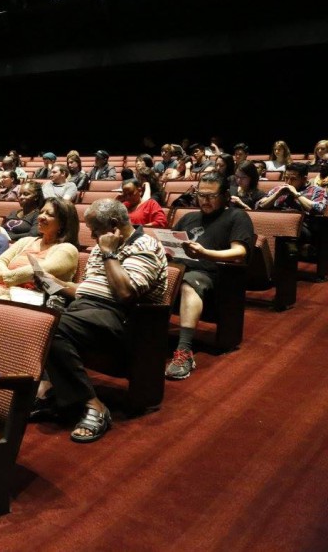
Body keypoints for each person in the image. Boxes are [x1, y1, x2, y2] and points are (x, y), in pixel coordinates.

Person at [32, 199, 167, 443]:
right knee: (38, 320)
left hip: (122, 320)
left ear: (113, 225)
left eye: (95, 229)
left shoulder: (145, 246)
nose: (92, 235)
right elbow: (88, 289)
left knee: (52, 328)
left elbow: (125, 293)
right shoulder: (100, 248)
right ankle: (55, 393)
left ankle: (93, 404)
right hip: (86, 310)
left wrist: (109, 253)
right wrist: (55, 284)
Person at [165, 173, 253, 380]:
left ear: (224, 196)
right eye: (201, 195)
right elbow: (172, 243)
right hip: (180, 268)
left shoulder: (237, 217)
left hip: (213, 273)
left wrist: (205, 253)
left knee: (188, 283)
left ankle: (184, 351)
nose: (205, 200)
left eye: (211, 196)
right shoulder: (188, 217)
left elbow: (239, 252)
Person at [0, 197, 79, 299]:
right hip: (2, 291)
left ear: (63, 223)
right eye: (42, 212)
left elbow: (39, 272)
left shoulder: (68, 249)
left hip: (32, 296)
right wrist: (8, 280)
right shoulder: (26, 241)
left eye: (49, 214)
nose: (41, 217)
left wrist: (0, 277)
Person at [255, 162, 327, 242]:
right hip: (275, 224)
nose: (288, 182)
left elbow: (318, 209)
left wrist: (296, 194)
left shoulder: (317, 190)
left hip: (303, 228)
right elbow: (259, 206)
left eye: (293, 179)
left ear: (304, 179)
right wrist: (277, 195)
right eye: (286, 178)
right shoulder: (278, 189)